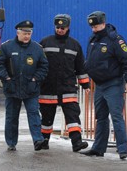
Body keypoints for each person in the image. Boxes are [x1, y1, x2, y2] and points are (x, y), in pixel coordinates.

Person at [81, 11, 127, 160]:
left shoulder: (115, 39)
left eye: (97, 26)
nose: (94, 29)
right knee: (101, 117)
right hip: (99, 84)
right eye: (92, 26)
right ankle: (98, 148)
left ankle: (122, 149)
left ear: (104, 23)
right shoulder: (93, 39)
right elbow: (90, 60)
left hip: (113, 83)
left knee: (116, 116)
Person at [0, 20, 49, 152]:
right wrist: (6, 78)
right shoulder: (7, 47)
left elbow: (44, 66)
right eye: (24, 33)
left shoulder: (37, 48)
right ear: (17, 32)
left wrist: (36, 79)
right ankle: (11, 142)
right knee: (12, 117)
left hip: (31, 88)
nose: (26, 36)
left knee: (34, 114)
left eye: (29, 33)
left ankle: (38, 140)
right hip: (12, 87)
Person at [39, 14, 90, 152]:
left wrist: (85, 84)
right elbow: (37, 64)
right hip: (47, 88)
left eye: (63, 27)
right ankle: (44, 141)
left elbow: (80, 66)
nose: (60, 30)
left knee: (73, 116)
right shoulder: (45, 42)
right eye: (58, 27)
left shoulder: (75, 45)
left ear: (68, 27)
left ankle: (77, 143)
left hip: (68, 88)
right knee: (46, 118)